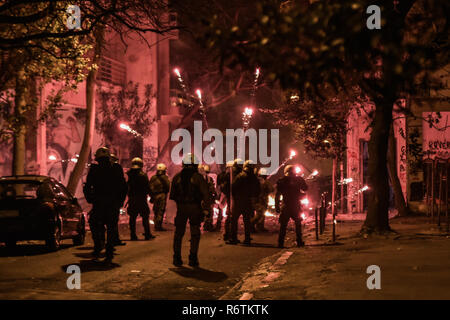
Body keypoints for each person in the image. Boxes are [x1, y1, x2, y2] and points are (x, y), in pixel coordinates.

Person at [83, 147, 127, 263]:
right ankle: (109, 251)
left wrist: (90, 199)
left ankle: (98, 247)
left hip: (99, 203)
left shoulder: (95, 169)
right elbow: (123, 187)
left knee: (95, 224)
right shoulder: (116, 168)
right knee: (111, 227)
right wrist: (120, 202)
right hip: (112, 204)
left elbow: (88, 187)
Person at [169, 153, 210, 267]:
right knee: (195, 233)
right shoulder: (198, 177)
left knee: (178, 233)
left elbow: (172, 195)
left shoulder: (177, 177)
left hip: (181, 208)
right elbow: (206, 195)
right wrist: (206, 209)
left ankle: (177, 258)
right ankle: (193, 258)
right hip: (194, 208)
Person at [228, 160, 260, 246]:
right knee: (247, 221)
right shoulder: (254, 178)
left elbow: (233, 188)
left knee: (234, 220)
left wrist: (235, 198)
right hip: (248, 202)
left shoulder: (240, 176)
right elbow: (257, 190)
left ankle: (233, 238)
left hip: (239, 201)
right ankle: (247, 239)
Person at [275, 165, 308, 248]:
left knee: (283, 225)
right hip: (295, 205)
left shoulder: (281, 181)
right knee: (298, 224)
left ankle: (280, 243)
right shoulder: (299, 179)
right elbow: (305, 188)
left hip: (286, 205)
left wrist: (277, 206)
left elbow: (278, 194)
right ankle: (299, 242)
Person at [126, 157, 155, 241]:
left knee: (132, 218)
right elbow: (147, 187)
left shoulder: (128, 174)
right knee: (145, 217)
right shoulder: (142, 175)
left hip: (132, 199)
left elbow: (125, 187)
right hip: (141, 199)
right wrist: (152, 196)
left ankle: (133, 235)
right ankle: (147, 234)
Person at [251, 168, 274, 232]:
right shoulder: (261, 181)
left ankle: (260, 227)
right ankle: (250, 225)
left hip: (260, 199)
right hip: (260, 200)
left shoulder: (258, 180)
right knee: (260, 214)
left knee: (262, 214)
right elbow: (271, 189)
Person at [110, 153, 126, 246]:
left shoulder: (101, 169)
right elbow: (123, 185)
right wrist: (121, 200)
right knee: (113, 222)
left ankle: (103, 242)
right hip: (114, 200)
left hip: (103, 200)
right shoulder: (117, 168)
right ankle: (113, 241)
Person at [149, 163, 171, 231]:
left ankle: (156, 224)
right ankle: (158, 226)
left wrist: (151, 196)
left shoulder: (153, 177)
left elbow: (149, 187)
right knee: (160, 210)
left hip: (155, 196)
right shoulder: (165, 178)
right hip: (162, 195)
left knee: (156, 210)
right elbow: (168, 187)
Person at [200, 164, 217, 232]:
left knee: (204, 211)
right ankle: (208, 225)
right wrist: (214, 195)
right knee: (209, 211)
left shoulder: (200, 178)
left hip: (202, 198)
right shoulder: (209, 179)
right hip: (208, 198)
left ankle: (205, 224)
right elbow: (212, 189)